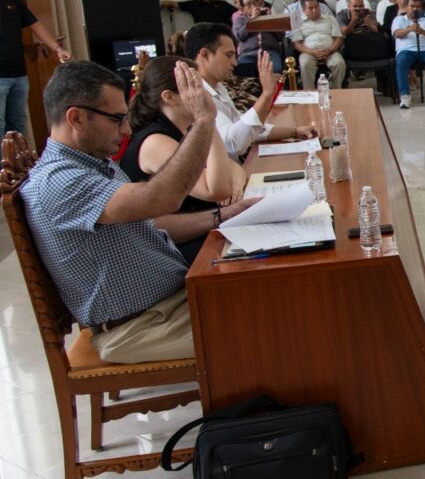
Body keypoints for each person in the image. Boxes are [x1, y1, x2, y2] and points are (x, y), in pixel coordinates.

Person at [21, 60, 258, 363]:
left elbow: (153, 224)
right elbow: (163, 199)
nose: (127, 128)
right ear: (76, 118)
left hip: (167, 304)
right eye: (117, 119)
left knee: (276, 290)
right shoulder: (60, 180)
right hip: (139, 326)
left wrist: (222, 216)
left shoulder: (93, 164)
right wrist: (202, 121)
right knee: (276, 323)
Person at [120, 55, 247, 264]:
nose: (205, 95)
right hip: (172, 250)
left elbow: (233, 166)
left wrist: (236, 181)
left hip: (202, 230)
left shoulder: (185, 130)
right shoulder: (154, 141)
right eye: (196, 89)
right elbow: (217, 189)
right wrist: (208, 118)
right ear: (170, 97)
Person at [186, 22, 317, 159]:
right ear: (205, 55)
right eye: (228, 55)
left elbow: (248, 129)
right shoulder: (197, 96)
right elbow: (233, 144)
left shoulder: (218, 87)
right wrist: (266, 95)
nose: (235, 63)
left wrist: (295, 132)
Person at [0, 0, 72, 134]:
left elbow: (36, 25)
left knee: (17, 123)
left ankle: (21, 161)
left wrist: (57, 49)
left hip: (19, 73)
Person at [290, 0, 346, 90]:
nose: (314, 10)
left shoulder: (330, 19)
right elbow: (296, 43)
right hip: (308, 52)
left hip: (330, 51)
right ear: (303, 9)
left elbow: (339, 38)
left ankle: (337, 91)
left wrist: (330, 50)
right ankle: (309, 92)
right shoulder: (296, 20)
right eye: (310, 8)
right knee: (305, 64)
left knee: (339, 63)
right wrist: (312, 52)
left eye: (316, 7)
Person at [232, 0, 285, 73]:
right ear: (243, 9)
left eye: (254, 3)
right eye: (248, 4)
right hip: (248, 54)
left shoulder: (267, 17)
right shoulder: (240, 20)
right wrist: (252, 20)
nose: (253, 6)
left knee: (276, 70)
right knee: (244, 73)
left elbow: (281, 35)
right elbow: (239, 36)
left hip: (269, 52)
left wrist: (269, 19)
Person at [337, 0, 389, 64]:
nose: (358, 8)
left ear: (364, 6)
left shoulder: (369, 13)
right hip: (351, 43)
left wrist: (369, 25)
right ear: (349, 7)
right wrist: (353, 21)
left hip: (368, 41)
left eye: (360, 6)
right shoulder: (341, 15)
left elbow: (377, 31)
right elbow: (345, 32)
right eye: (355, 6)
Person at [162, 0, 237, 26]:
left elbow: (239, 13)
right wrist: (161, 3)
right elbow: (174, 4)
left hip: (222, 36)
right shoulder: (195, 4)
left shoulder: (223, 4)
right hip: (203, 36)